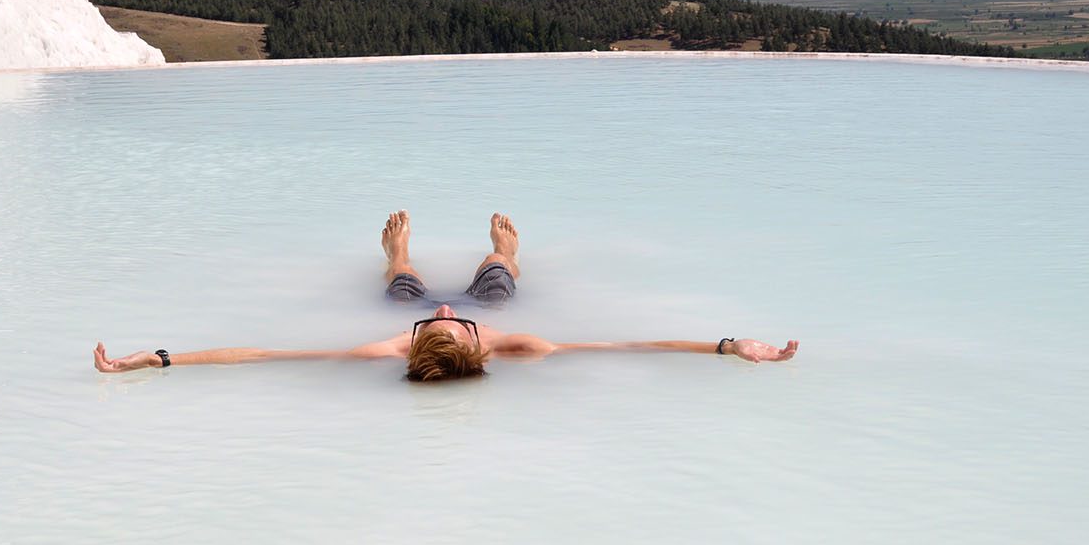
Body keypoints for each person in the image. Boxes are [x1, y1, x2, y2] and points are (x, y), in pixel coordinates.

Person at [94, 211, 798, 381]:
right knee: (498, 267)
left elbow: (262, 357)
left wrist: (160, 359)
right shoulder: (512, 339)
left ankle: (397, 251)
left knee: (401, 282)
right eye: (451, 326)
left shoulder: (399, 338)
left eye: (441, 323)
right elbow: (634, 345)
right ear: (475, 344)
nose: (445, 311)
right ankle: (508, 249)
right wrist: (730, 345)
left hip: (403, 317)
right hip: (499, 306)